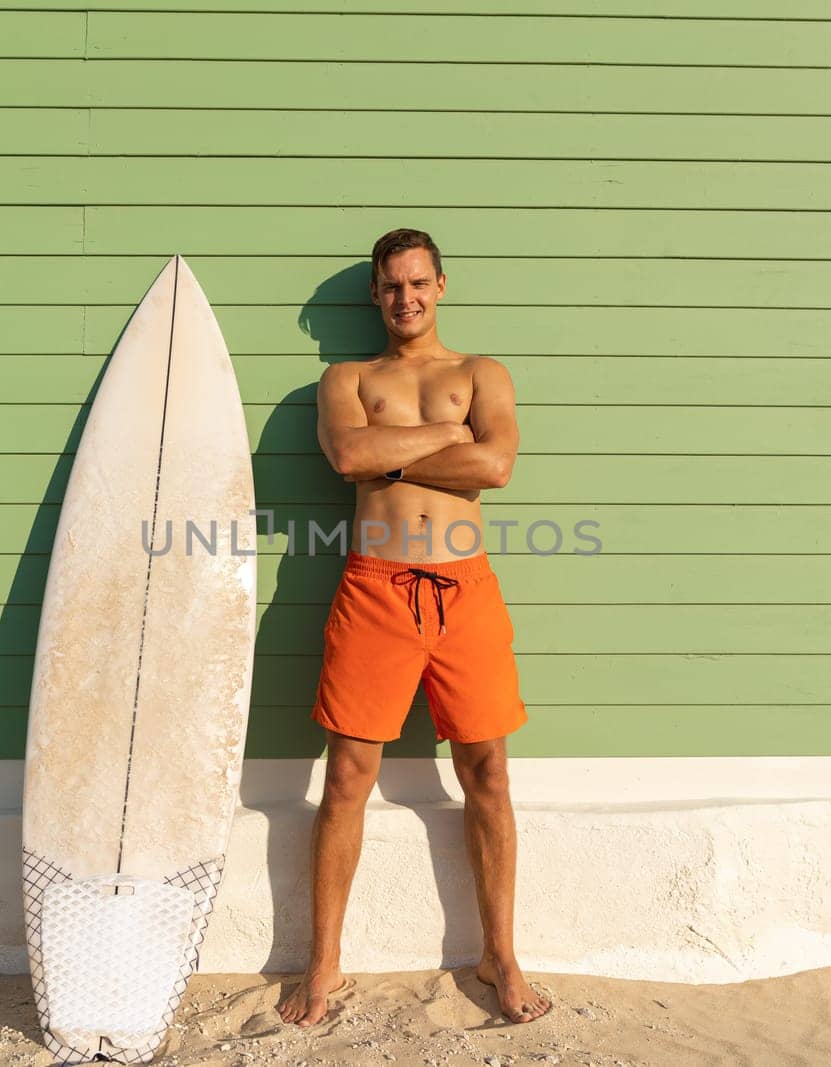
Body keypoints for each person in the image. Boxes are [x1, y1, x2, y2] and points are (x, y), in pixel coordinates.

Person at [276, 229, 552, 1028]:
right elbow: (348, 453)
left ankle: (498, 953)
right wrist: (442, 439)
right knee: (348, 777)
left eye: (420, 283)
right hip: (375, 590)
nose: (407, 298)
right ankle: (322, 961)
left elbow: (496, 466)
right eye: (392, 285)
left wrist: (388, 456)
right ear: (374, 292)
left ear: (442, 285)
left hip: (465, 591)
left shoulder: (482, 373)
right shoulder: (347, 377)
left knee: (489, 772)